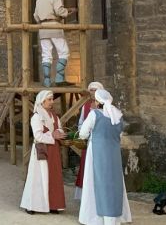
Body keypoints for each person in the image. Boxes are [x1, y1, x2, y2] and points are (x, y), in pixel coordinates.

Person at [77, 88, 131, 224]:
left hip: (96, 153)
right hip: (113, 155)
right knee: (114, 183)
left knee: (96, 181)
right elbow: (119, 135)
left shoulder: (94, 114)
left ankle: (96, 218)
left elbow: (82, 133)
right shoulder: (118, 116)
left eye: (94, 100)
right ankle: (114, 216)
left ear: (97, 102)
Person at [20, 90, 65, 215]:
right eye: (49, 99)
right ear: (42, 101)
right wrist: (53, 135)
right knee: (38, 178)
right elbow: (38, 136)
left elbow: (59, 128)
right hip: (43, 150)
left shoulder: (54, 116)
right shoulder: (37, 117)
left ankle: (53, 204)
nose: (52, 102)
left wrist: (60, 133)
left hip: (54, 150)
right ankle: (32, 205)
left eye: (52, 99)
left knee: (54, 177)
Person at [35, 0, 75, 87]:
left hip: (43, 28)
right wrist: (68, 11)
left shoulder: (39, 0)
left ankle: (47, 81)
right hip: (54, 26)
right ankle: (59, 78)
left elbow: (36, 16)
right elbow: (59, 11)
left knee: (46, 54)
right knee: (64, 52)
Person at [74, 82, 105, 201]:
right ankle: (86, 197)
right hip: (88, 142)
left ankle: (99, 195)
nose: (92, 92)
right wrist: (85, 133)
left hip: (101, 143)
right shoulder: (85, 106)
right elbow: (81, 123)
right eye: (91, 90)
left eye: (95, 90)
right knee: (86, 167)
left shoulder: (106, 108)